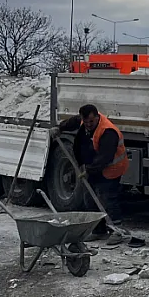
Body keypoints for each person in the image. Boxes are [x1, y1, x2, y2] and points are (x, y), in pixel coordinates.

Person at [50, 103, 130, 242]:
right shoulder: (84, 120)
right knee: (89, 198)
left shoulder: (108, 131)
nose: (88, 125)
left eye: (91, 122)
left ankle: (117, 230)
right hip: (94, 166)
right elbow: (73, 122)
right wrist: (59, 128)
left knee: (107, 198)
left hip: (111, 168)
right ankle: (99, 230)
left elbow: (105, 158)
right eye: (85, 122)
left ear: (97, 117)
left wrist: (88, 171)